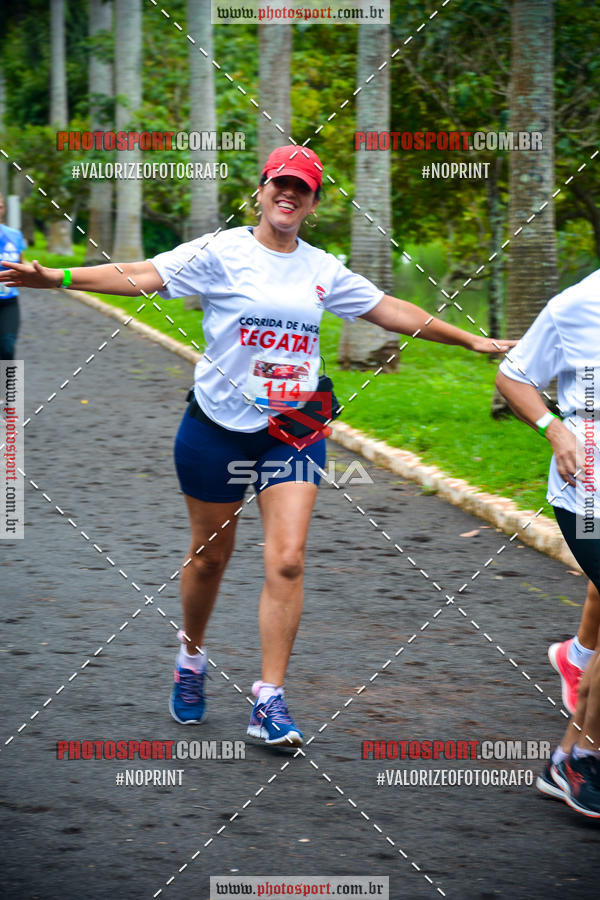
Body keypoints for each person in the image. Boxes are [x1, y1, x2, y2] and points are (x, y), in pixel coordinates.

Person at [0, 145, 515, 748]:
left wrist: (469, 342)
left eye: (303, 188)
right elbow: (142, 275)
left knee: (288, 559)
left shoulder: (322, 268)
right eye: (281, 184)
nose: (289, 195)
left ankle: (268, 699)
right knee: (209, 558)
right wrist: (57, 276)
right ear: (263, 189)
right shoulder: (221, 252)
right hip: (214, 427)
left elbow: (391, 309)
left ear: (314, 203)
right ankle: (190, 659)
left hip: (293, 431)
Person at [496, 268, 600, 814]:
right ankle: (580, 758)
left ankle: (578, 665)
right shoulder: (574, 307)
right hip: (588, 495)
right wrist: (555, 429)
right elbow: (512, 377)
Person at [0, 194, 27, 360]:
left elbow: (21, 266)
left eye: (0, 206)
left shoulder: (14, 235)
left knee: (8, 347)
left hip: (8, 301)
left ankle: (11, 387)